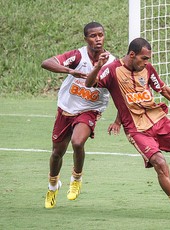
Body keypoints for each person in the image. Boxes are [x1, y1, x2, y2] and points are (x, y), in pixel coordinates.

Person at [86, 38, 170, 222]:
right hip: (137, 130)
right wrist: (98, 66)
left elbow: (163, 89)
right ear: (132, 55)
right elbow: (89, 84)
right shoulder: (111, 70)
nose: (147, 62)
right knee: (160, 163)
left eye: (148, 59)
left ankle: (159, 146)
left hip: (159, 121)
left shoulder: (147, 69)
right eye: (144, 58)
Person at [41, 22, 116, 209]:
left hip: (90, 109)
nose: (97, 39)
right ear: (86, 39)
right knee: (57, 153)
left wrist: (119, 120)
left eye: (100, 35)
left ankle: (76, 178)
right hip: (66, 107)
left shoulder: (112, 63)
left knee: (77, 142)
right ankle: (52, 186)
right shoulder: (77, 56)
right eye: (93, 36)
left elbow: (119, 93)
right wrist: (71, 71)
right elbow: (47, 63)